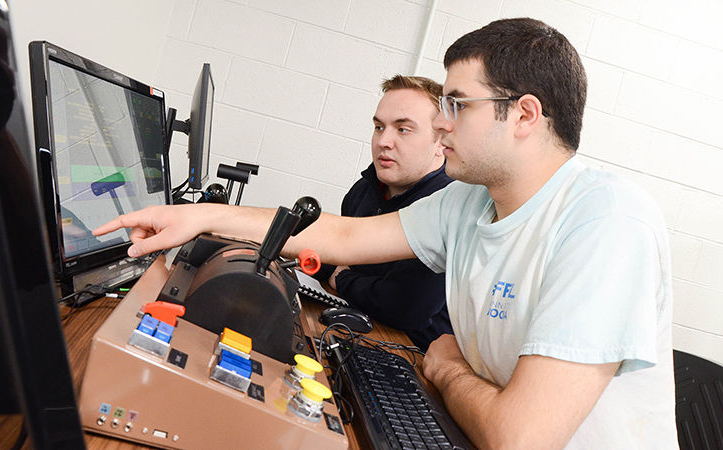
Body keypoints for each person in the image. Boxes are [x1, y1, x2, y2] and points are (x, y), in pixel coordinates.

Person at [94, 18, 676, 449]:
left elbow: (518, 439)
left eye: (456, 104)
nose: (440, 122)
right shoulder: (469, 200)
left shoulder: (605, 223)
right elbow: (343, 235)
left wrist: (445, 367)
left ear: (524, 115)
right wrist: (202, 218)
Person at [315, 74, 453, 351]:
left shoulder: (449, 205)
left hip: (413, 358)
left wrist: (342, 277)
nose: (383, 141)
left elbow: (404, 307)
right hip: (358, 330)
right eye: (379, 127)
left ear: (441, 141)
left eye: (403, 129)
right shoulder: (367, 188)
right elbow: (329, 255)